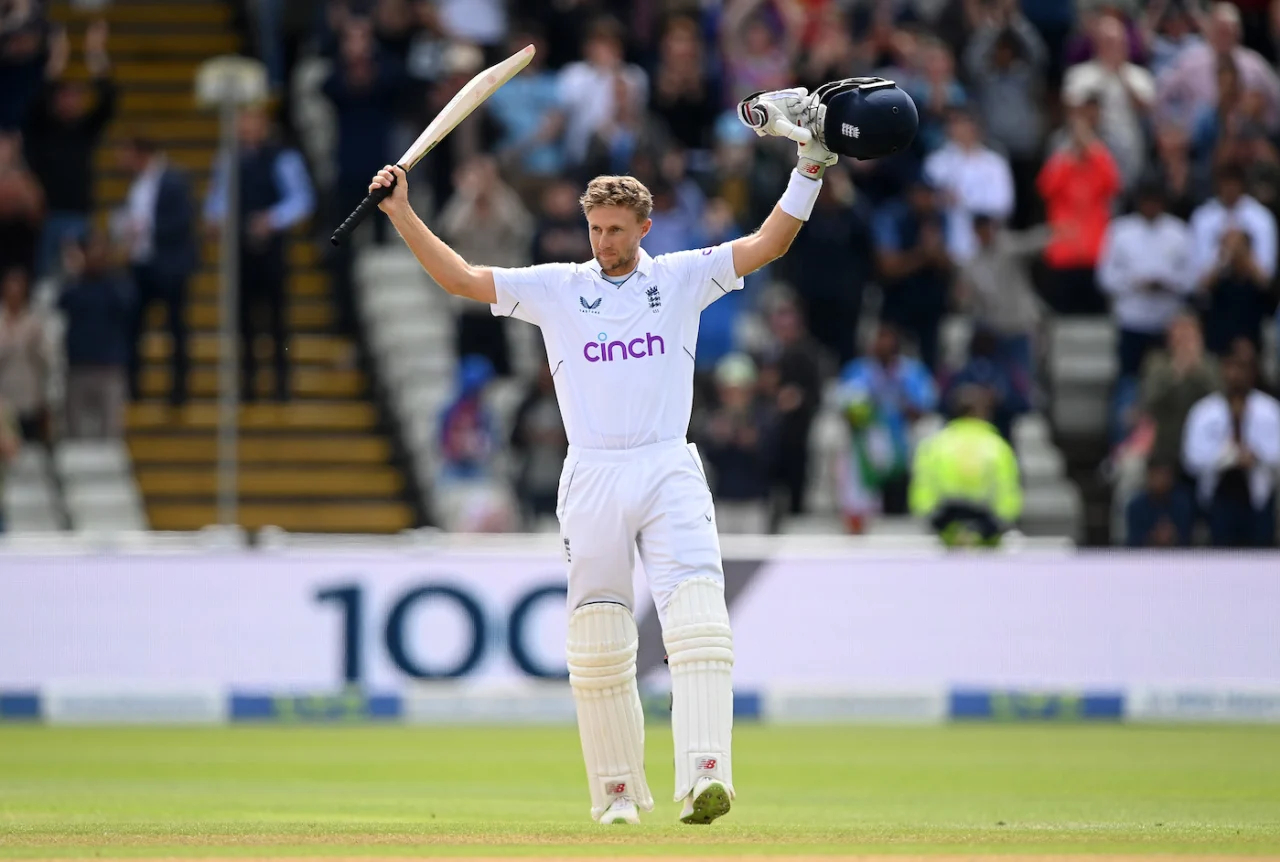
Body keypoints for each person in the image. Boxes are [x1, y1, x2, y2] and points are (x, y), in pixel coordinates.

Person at [366, 76, 917, 826]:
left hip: (667, 464)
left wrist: (808, 170)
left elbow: (767, 244)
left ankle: (706, 777)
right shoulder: (559, 287)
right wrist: (402, 212)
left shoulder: (683, 277)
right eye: (595, 229)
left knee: (698, 623)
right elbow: (460, 278)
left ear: (644, 227)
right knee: (596, 639)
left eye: (617, 230)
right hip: (590, 471)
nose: (604, 243)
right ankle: (617, 795)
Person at [204, 104, 314, 403]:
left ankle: (281, 384)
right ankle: (248, 383)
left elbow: (302, 200)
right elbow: (217, 198)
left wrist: (272, 219)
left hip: (271, 249)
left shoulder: (282, 156)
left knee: (277, 318)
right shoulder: (229, 158)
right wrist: (216, 218)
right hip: (239, 249)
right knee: (243, 320)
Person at [23, 19, 115, 278]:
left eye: (77, 97)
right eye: (66, 96)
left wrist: (96, 53)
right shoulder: (43, 127)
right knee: (47, 283)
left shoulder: (84, 130)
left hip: (79, 215)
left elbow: (109, 99)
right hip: (48, 217)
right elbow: (38, 95)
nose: (72, 102)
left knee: (79, 281)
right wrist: (57, 58)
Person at [117, 136, 197, 407]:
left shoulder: (174, 179)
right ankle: (133, 386)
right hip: (142, 265)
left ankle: (179, 390)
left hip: (170, 267)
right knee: (133, 327)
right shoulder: (137, 183)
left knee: (175, 328)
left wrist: (146, 227)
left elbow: (182, 221)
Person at [836, 322, 938, 531]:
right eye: (878, 340)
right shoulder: (857, 370)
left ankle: (905, 515)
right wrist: (864, 409)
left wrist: (904, 403)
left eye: (887, 341)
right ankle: (859, 522)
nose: (882, 345)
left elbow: (925, 405)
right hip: (867, 442)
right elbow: (845, 408)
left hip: (903, 438)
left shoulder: (911, 371)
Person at [1182, 343, 1280, 547]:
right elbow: (1191, 458)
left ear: (1252, 372)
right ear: (1222, 370)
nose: (1235, 374)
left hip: (1258, 495)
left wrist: (1255, 456)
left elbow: (1276, 454)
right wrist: (1230, 457)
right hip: (1218, 495)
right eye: (1230, 367)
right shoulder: (1204, 411)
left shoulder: (1269, 410)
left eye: (1241, 368)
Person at [1097, 180, 1196, 378]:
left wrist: (1168, 283)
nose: (1151, 207)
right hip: (1131, 320)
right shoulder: (1120, 231)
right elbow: (1105, 277)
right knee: (1129, 377)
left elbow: (1192, 278)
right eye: (1147, 202)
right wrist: (1135, 283)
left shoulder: (1178, 232)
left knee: (1166, 377)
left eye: (1156, 202)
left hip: (1167, 323)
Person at [909, 384, 1021, 547]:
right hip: (986, 528)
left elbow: (922, 493)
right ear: (984, 413)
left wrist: (931, 522)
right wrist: (1001, 524)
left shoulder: (934, 446)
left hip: (945, 527)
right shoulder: (998, 447)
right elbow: (1007, 494)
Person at [1037, 106, 1122, 315]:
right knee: (1063, 314)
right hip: (1064, 252)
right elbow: (1045, 187)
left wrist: (1094, 149)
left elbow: (1114, 184)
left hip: (1094, 253)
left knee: (1094, 316)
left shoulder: (1098, 166)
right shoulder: (1063, 166)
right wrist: (1067, 155)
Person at [1062, 15, 1156, 188]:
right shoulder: (1079, 74)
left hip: (1129, 149)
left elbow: (1147, 109)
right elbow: (1072, 108)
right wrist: (1104, 75)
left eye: (1116, 42)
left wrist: (1121, 73)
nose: (1112, 47)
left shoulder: (1138, 75)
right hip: (1091, 151)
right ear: (1097, 43)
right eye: (1107, 41)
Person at [873, 175, 953, 372]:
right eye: (922, 194)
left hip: (930, 305)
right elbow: (888, 267)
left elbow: (949, 264)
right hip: (897, 302)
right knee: (890, 361)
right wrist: (923, 254)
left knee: (931, 363)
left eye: (929, 194)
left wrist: (935, 254)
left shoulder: (939, 217)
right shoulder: (893, 216)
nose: (926, 199)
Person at [57, 230, 133, 439]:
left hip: (110, 367)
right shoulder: (76, 284)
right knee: (75, 432)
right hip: (78, 366)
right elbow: (61, 302)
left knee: (110, 432)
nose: (96, 256)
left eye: (101, 251)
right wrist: (73, 271)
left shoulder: (117, 283)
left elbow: (127, 304)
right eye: (92, 250)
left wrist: (118, 268)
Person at [959, 213, 1048, 382]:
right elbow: (967, 302)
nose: (986, 235)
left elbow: (1031, 243)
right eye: (982, 231)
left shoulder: (1008, 247)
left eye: (989, 230)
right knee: (999, 379)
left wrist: (1052, 232)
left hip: (1018, 327)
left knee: (1022, 377)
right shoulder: (972, 264)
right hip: (993, 332)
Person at [696, 353, 776, 535]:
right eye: (728, 391)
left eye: (740, 391)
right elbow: (705, 460)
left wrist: (753, 443)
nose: (734, 397)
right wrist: (717, 439)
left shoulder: (764, 417)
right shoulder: (711, 418)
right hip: (722, 502)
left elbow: (773, 460)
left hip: (755, 503)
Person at [923, 108, 1014, 264]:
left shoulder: (994, 164)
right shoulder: (936, 162)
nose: (957, 129)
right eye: (953, 123)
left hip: (984, 249)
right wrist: (940, 199)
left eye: (962, 123)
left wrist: (962, 200)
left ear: (975, 127)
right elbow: (924, 199)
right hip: (946, 253)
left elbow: (1003, 204)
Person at [510, 359, 567, 526]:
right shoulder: (528, 405)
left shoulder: (565, 404)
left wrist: (559, 438)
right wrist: (532, 436)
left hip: (560, 472)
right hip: (533, 474)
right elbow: (515, 438)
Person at [0, 266, 48, 442]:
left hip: (29, 400)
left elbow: (46, 362)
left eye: (18, 289)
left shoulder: (35, 322)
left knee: (30, 453)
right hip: (3, 402)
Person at [1125, 459, 1195, 547]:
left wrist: (1172, 537)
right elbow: (1133, 542)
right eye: (1157, 475)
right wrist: (1153, 538)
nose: (1161, 479)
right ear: (1149, 476)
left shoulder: (1182, 504)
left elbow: (1187, 539)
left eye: (1165, 475)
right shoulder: (1136, 506)